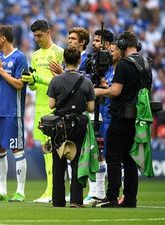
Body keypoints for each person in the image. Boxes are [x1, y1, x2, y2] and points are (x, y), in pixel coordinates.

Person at [94, 31, 151, 208]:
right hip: (138, 118)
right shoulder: (146, 64)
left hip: (121, 117)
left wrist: (100, 91)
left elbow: (116, 91)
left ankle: (111, 197)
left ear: (124, 45)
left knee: (113, 157)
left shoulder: (124, 64)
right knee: (130, 159)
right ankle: (130, 198)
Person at [22, 19, 64, 203]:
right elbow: (34, 88)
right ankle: (50, 189)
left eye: (40, 35)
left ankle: (53, 190)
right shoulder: (36, 55)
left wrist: (38, 77)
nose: (37, 39)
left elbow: (61, 82)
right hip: (40, 106)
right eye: (34, 36)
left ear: (48, 32)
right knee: (46, 149)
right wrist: (30, 81)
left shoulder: (59, 53)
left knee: (57, 149)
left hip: (54, 107)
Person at [47, 47, 95, 207]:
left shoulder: (56, 80)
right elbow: (90, 108)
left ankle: (58, 200)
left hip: (60, 125)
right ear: (79, 61)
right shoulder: (86, 81)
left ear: (64, 61)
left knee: (58, 163)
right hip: (79, 124)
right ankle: (76, 200)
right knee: (77, 162)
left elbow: (51, 104)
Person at [0, 25, 28, 202]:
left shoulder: (20, 58)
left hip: (13, 111)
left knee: (17, 150)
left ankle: (20, 191)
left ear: (3, 38)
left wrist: (1, 70)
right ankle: (1, 191)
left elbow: (19, 84)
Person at [83, 29, 114, 205]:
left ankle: (106, 193)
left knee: (108, 154)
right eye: (93, 40)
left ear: (108, 44)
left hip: (108, 115)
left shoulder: (113, 64)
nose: (94, 43)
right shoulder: (90, 61)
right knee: (96, 152)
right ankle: (96, 192)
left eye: (98, 40)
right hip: (96, 112)